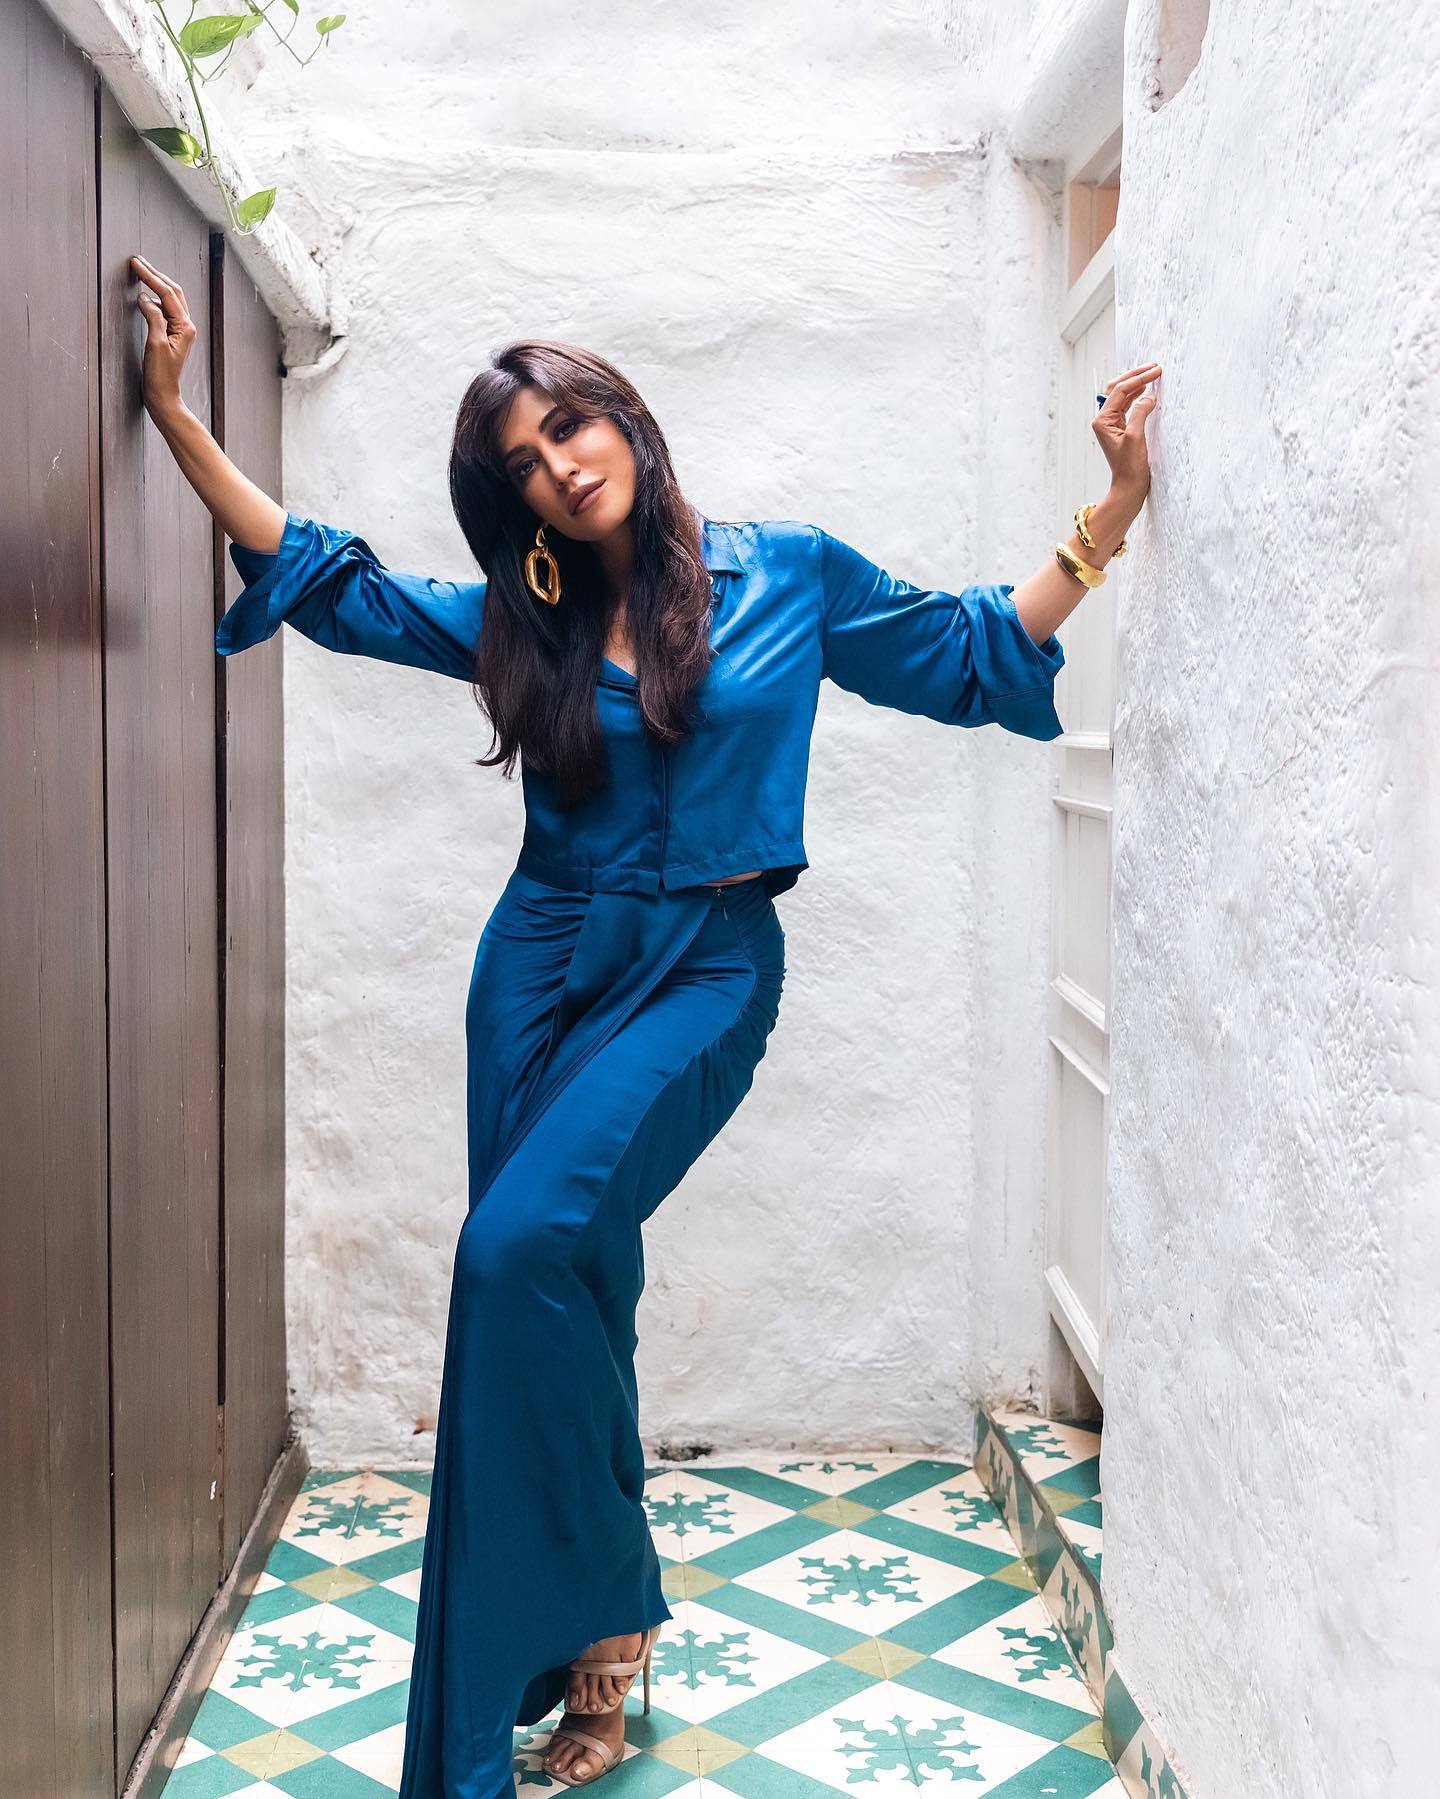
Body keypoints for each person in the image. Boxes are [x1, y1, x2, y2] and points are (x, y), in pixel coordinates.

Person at [129, 252, 1158, 1795]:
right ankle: (603, 1652)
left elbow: (966, 647)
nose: (557, 467)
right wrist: (177, 419)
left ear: (622, 418)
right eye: (522, 465)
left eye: (569, 428)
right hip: (539, 970)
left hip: (708, 970)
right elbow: (337, 586)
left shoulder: (789, 574)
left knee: (512, 1254)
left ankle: (558, 1649)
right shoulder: (522, 618)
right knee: (568, 1290)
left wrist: (1112, 512)